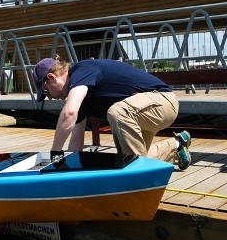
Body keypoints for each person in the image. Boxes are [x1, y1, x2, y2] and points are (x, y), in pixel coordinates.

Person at [31, 56, 191, 170]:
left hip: (163, 101)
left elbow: (69, 113)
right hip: (140, 112)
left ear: (51, 78)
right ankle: (176, 145)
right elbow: (75, 144)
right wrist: (66, 170)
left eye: (46, 92)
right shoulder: (81, 92)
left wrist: (55, 154)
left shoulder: (82, 71)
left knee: (117, 112)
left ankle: (137, 173)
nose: (50, 98)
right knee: (130, 161)